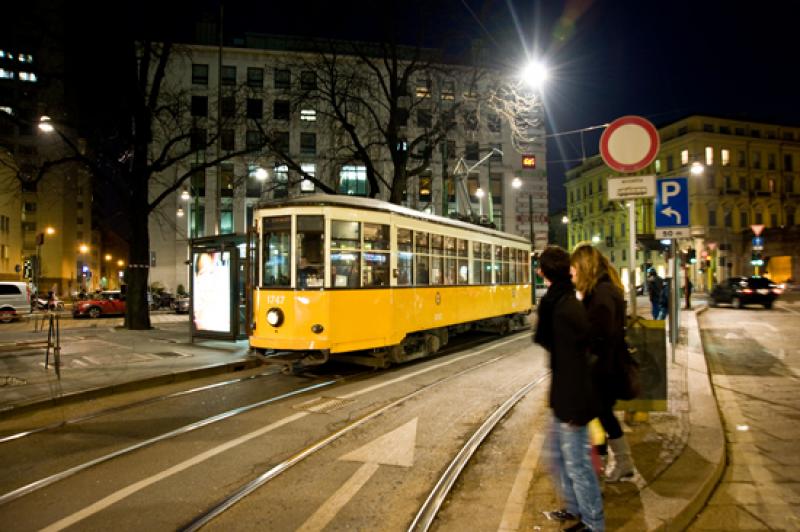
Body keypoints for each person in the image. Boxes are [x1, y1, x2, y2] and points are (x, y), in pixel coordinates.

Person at [535, 246, 604, 532]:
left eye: (540, 268)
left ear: (545, 273)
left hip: (573, 400)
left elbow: (577, 360)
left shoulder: (564, 308)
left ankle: (594, 523)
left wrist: (577, 407)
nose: (537, 271)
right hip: (564, 396)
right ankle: (575, 509)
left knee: (577, 464)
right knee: (559, 457)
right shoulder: (559, 303)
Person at [570, 244, 636, 483]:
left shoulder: (601, 294)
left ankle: (605, 465)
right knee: (602, 415)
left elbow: (600, 334)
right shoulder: (603, 290)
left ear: (585, 267)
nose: (572, 273)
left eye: (575, 268)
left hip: (602, 368)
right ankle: (618, 462)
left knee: (596, 415)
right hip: (605, 365)